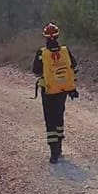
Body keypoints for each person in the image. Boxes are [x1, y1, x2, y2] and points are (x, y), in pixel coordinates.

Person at [32, 22, 79, 163]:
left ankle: (53, 153)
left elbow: (36, 71)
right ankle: (59, 149)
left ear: (45, 37)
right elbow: (74, 65)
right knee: (59, 117)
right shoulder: (65, 51)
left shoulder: (41, 53)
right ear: (58, 36)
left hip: (48, 90)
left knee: (50, 120)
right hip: (63, 90)